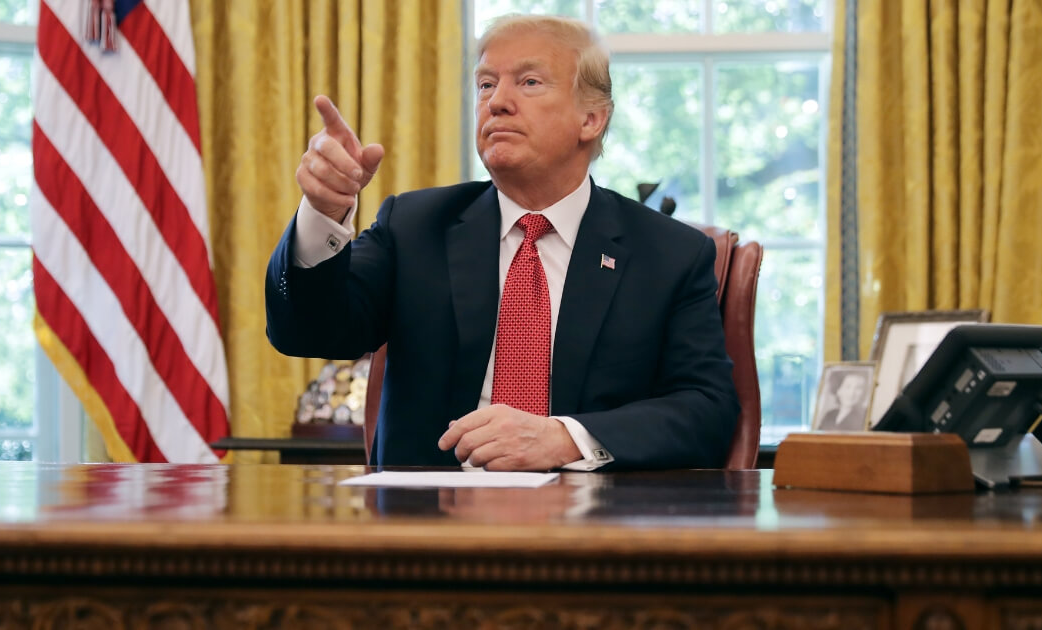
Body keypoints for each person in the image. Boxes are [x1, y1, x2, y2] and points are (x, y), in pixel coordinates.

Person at [265, 15, 739, 471]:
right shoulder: (415, 228)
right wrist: (323, 214)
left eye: (529, 82)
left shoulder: (667, 254)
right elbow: (308, 332)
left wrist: (565, 438)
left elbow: (707, 410)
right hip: (429, 529)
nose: (497, 102)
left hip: (590, 527)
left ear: (591, 119)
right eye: (486, 84)